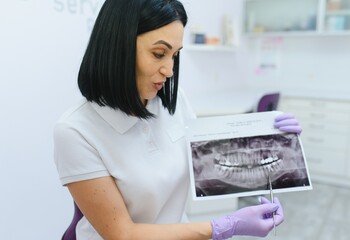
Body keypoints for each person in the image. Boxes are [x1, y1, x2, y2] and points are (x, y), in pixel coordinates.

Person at [53, 0, 302, 239]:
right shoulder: (76, 131)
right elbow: (122, 234)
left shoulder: (173, 101)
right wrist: (224, 227)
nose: (170, 70)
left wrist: (275, 144)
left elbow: (209, 166)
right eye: (159, 53)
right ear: (117, 46)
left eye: (174, 55)